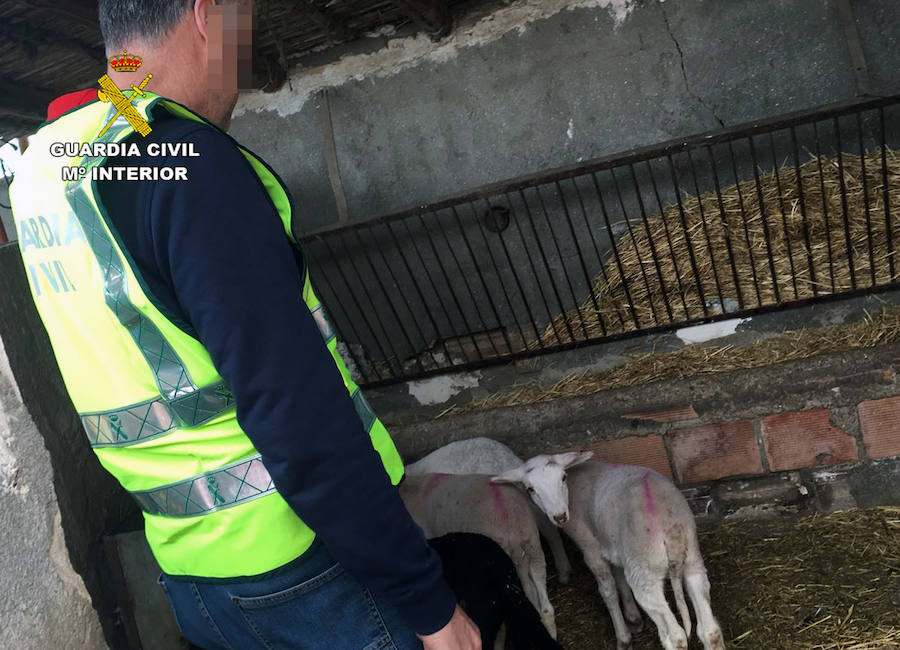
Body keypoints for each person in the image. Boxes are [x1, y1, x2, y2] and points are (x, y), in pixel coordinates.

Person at [9, 1, 481, 648]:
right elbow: (298, 418)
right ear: (209, 15)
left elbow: (122, 113)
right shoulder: (187, 166)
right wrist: (429, 606)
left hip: (193, 584)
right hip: (304, 574)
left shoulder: (50, 164)